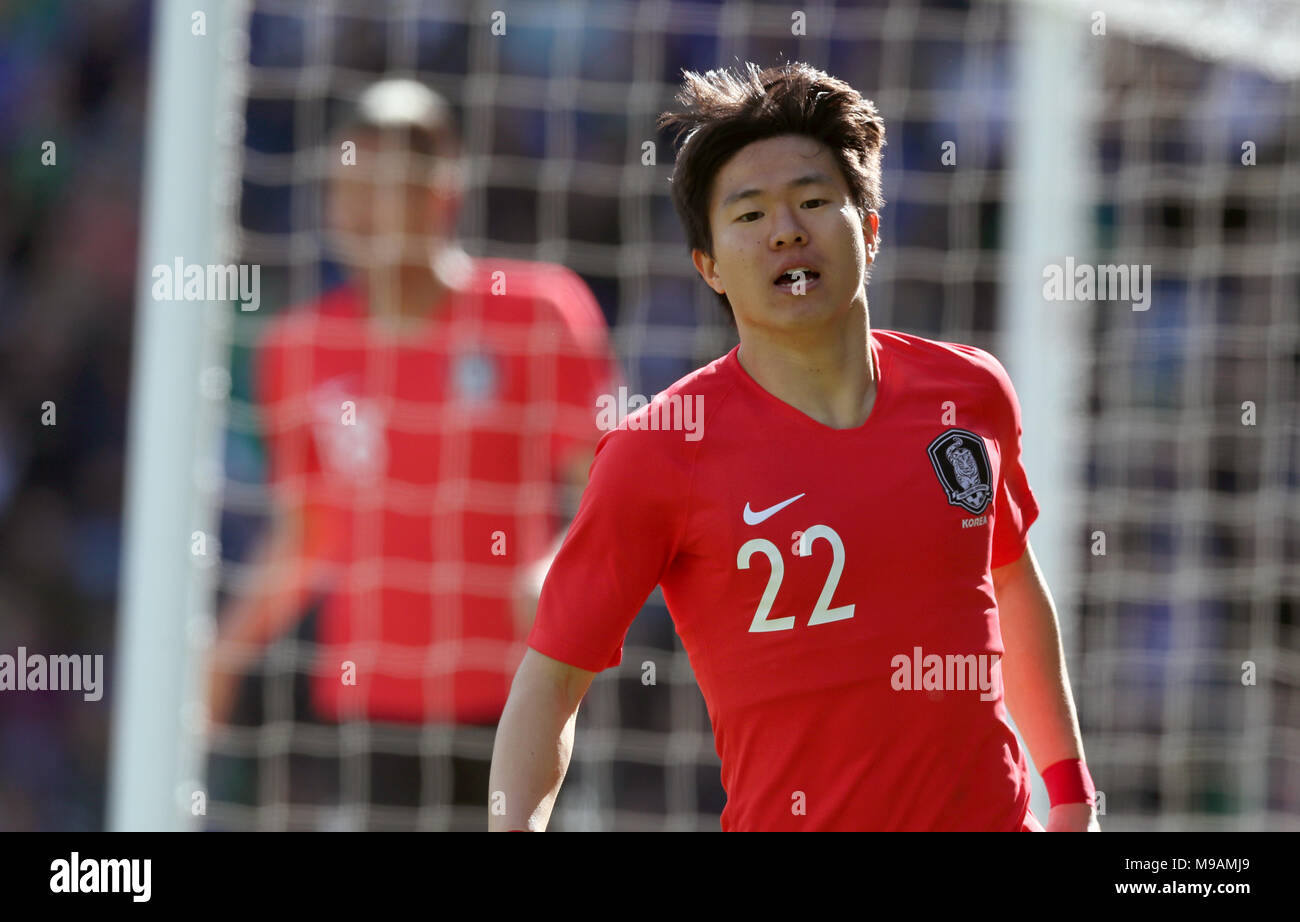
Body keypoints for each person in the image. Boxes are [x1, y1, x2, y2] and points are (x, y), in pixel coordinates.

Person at [489, 62, 1098, 831]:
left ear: (870, 231)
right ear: (707, 266)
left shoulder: (970, 393)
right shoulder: (660, 451)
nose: (786, 229)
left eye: (813, 201)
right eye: (748, 216)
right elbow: (550, 680)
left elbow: (1009, 584)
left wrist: (1073, 797)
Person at [205, 78, 619, 830]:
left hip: (525, 692)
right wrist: (222, 655)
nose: (355, 211)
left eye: (381, 186)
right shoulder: (297, 349)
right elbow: (308, 534)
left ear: (442, 189)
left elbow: (613, 490)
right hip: (372, 714)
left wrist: (557, 567)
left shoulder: (537, 311)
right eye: (342, 188)